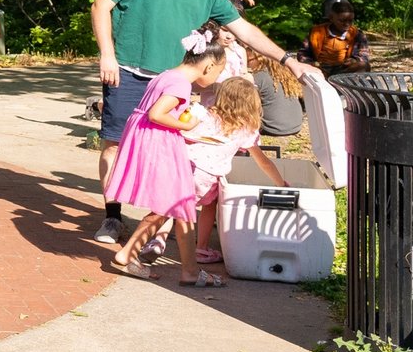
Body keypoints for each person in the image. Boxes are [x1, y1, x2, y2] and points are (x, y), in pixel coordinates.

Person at [90, 0, 319, 244]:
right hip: (128, 70)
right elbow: (101, 7)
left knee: (172, 152)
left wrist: (289, 61)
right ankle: (112, 217)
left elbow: (244, 30)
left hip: (175, 82)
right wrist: (107, 54)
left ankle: (155, 228)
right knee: (115, 144)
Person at [105, 28, 227, 285]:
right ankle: (185, 271)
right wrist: (188, 125)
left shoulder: (168, 75)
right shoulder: (181, 83)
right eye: (218, 71)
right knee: (176, 202)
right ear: (208, 66)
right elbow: (157, 114)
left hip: (150, 139)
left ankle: (139, 256)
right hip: (159, 144)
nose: (217, 77)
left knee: (176, 204)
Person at [187, 75, 287, 272]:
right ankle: (201, 248)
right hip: (207, 177)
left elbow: (185, 133)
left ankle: (157, 241)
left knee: (170, 210)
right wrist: (281, 184)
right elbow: (263, 162)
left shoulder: (206, 115)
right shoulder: (245, 130)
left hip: (184, 167)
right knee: (209, 206)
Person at [304, 0, 372, 74]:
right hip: (320, 68)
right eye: (342, 20)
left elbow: (364, 55)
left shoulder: (357, 34)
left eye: (350, 21)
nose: (347, 24)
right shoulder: (316, 32)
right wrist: (311, 63)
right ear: (331, 18)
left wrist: (354, 60)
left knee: (364, 66)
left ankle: (342, 81)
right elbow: (303, 53)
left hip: (343, 69)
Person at [248, 50, 306, 137]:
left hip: (271, 129)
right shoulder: (286, 74)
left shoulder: (258, 78)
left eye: (249, 60)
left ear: (259, 59)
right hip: (296, 126)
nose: (247, 64)